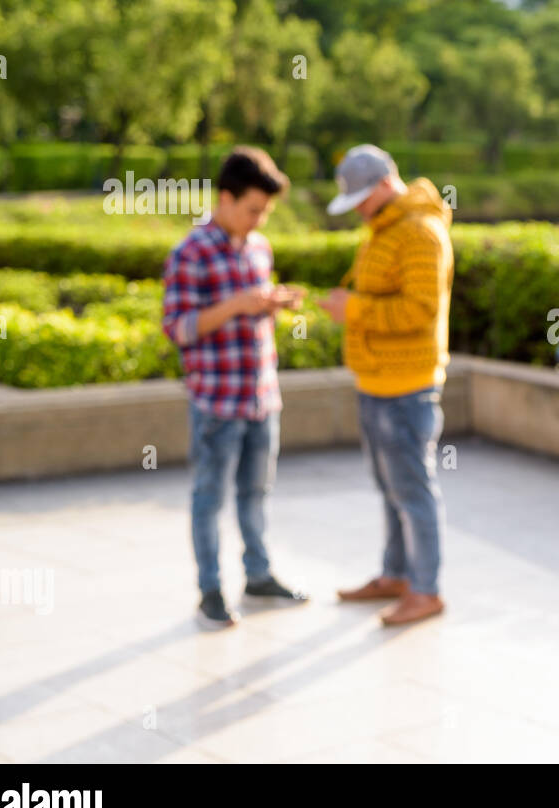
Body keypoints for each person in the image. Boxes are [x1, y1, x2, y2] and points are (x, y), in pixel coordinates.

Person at [162, 147, 309, 630]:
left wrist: (270, 304)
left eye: (264, 211)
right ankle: (210, 588)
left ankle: (259, 574)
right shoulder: (190, 252)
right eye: (252, 209)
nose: (258, 218)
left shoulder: (259, 247)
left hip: (261, 397)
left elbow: (249, 309)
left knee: (256, 493)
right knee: (209, 498)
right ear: (225, 198)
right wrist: (237, 305)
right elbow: (178, 328)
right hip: (217, 402)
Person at [318, 145, 455, 627]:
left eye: (361, 198)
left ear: (384, 185)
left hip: (406, 386)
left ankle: (425, 589)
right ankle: (397, 575)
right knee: (391, 487)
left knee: (412, 490)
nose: (357, 209)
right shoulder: (387, 227)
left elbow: (420, 310)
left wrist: (352, 310)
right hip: (378, 380)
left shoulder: (419, 231)